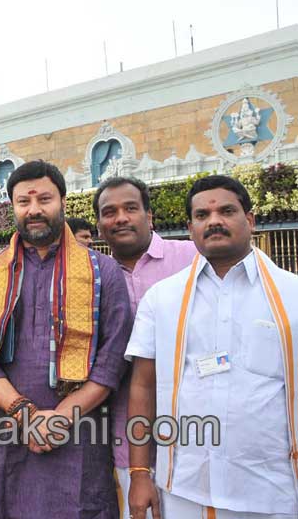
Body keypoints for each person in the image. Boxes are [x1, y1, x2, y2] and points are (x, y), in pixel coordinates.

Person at [0, 160, 132, 519]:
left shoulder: (103, 273)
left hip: (79, 432)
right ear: (13, 208)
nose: (34, 210)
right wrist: (25, 414)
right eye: (24, 201)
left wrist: (60, 418)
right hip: (7, 431)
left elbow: (112, 359)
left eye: (44, 199)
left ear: (63, 203)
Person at [126, 175, 298, 519]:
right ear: (190, 227)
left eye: (226, 211)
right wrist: (140, 474)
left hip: (270, 489)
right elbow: (142, 386)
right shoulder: (162, 298)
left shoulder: (292, 295)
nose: (214, 221)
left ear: (249, 220)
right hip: (185, 488)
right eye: (202, 215)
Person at [93, 176, 197, 519]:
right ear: (99, 224)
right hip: (126, 438)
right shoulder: (94, 277)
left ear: (149, 216)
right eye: (110, 212)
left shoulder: (192, 259)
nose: (120, 217)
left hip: (196, 434)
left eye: (130, 208)